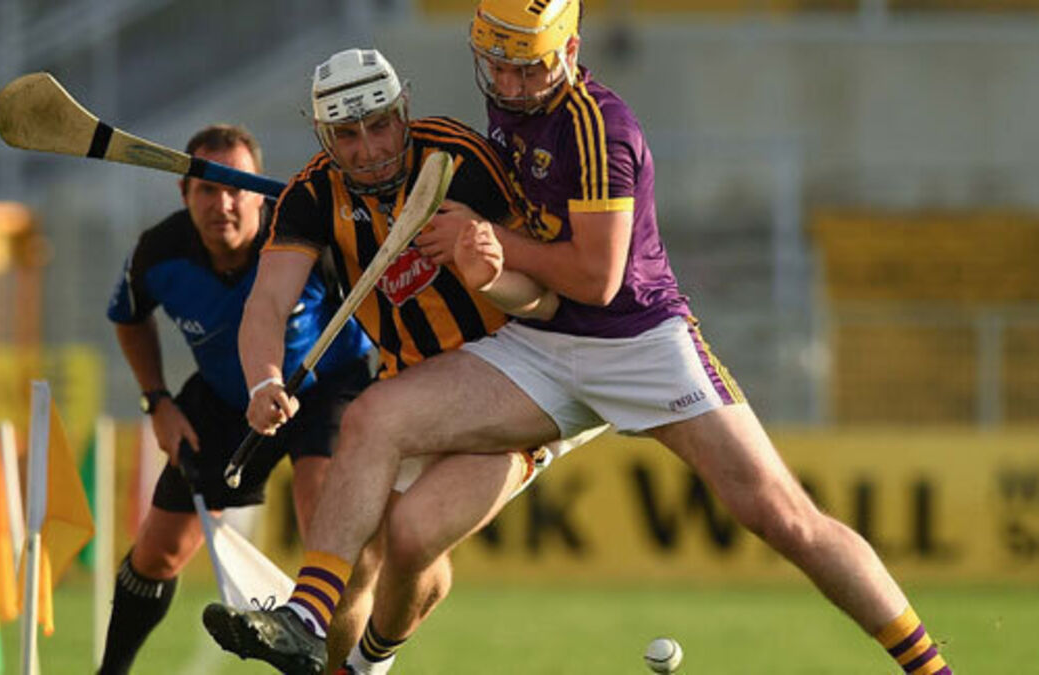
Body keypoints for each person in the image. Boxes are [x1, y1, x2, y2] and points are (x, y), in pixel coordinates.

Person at [208, 2, 955, 674]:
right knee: (376, 430)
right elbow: (525, 292)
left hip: (637, 340)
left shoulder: (599, 127)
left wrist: (488, 245)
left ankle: (929, 669)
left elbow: (596, 281)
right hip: (536, 343)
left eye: (528, 67)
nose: (512, 83)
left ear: (570, 50)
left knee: (781, 516)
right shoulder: (500, 109)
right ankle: (309, 620)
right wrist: (482, 262)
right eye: (499, 65)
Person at [201, 48, 595, 675]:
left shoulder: (459, 161)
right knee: (356, 558)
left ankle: (365, 664)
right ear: (322, 135)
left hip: (517, 382)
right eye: (347, 136)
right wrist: (264, 380)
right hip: (415, 390)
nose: (368, 151)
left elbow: (543, 292)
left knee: (411, 535)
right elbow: (268, 302)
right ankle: (316, 632)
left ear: (403, 109)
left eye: (380, 125)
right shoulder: (313, 195)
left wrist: (487, 267)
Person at [99, 124, 378, 673]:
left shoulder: (304, 234)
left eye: (237, 187)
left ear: (260, 194)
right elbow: (129, 319)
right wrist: (157, 402)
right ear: (184, 193)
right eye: (208, 187)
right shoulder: (158, 254)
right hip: (227, 398)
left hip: (327, 388)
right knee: (159, 551)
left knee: (323, 518)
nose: (222, 203)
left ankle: (341, 664)